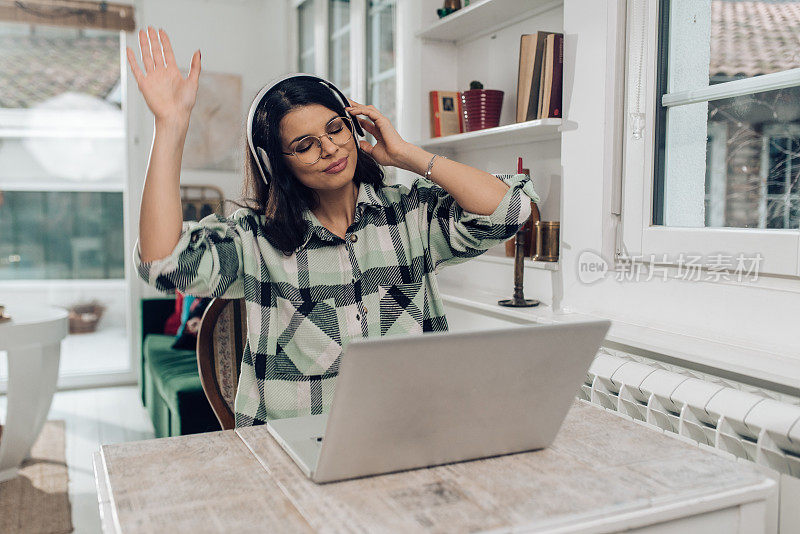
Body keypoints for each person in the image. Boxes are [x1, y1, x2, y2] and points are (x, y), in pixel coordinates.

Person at [127, 26, 539, 426]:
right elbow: (164, 264)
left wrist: (408, 155)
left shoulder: (411, 215)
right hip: (296, 457)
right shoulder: (256, 240)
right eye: (304, 145)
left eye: (335, 129)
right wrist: (171, 126)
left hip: (413, 433)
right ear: (278, 165)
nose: (329, 149)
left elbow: (512, 210)